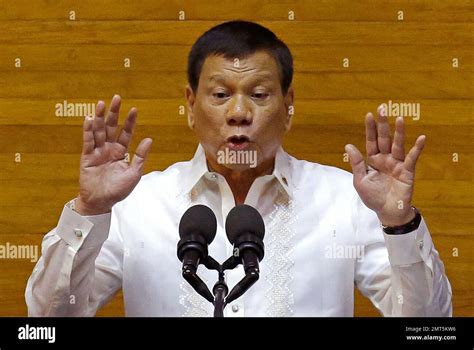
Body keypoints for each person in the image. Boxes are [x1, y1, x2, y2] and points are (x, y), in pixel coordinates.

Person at [26, 20, 452, 317]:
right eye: (219, 94)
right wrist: (90, 209)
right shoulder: (136, 203)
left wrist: (399, 224)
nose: (239, 113)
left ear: (288, 107)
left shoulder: (346, 199)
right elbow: (46, 321)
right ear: (191, 106)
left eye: (260, 94)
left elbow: (427, 327)